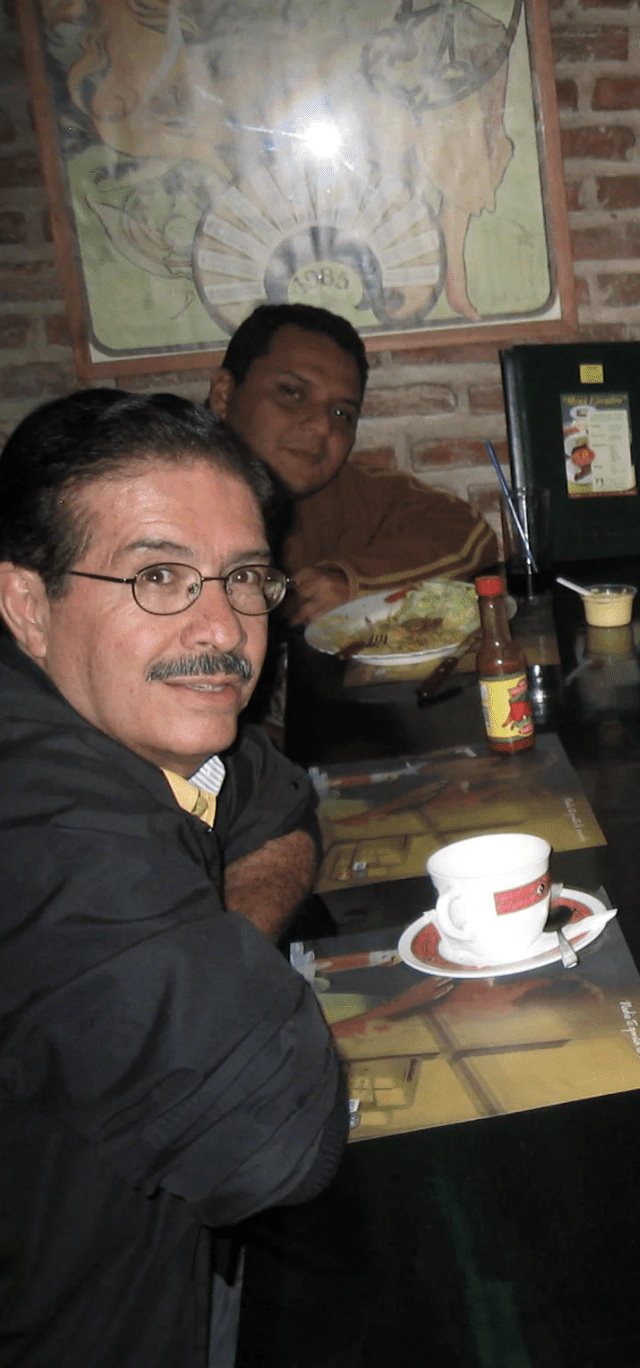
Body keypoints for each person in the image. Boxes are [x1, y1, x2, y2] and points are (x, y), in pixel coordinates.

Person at [0, 391, 347, 1366]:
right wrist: (209, 962)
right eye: (158, 575)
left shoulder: (122, 720)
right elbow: (276, 1140)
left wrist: (211, 940)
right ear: (26, 604)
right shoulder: (40, 825)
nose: (222, 627)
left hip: (176, 1273)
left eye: (243, 577)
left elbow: (271, 791)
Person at [207, 303, 497, 623]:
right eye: (292, 392)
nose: (322, 426)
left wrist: (353, 582)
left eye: (342, 413)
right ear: (223, 396)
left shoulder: (334, 493)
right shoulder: (170, 493)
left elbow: (467, 532)